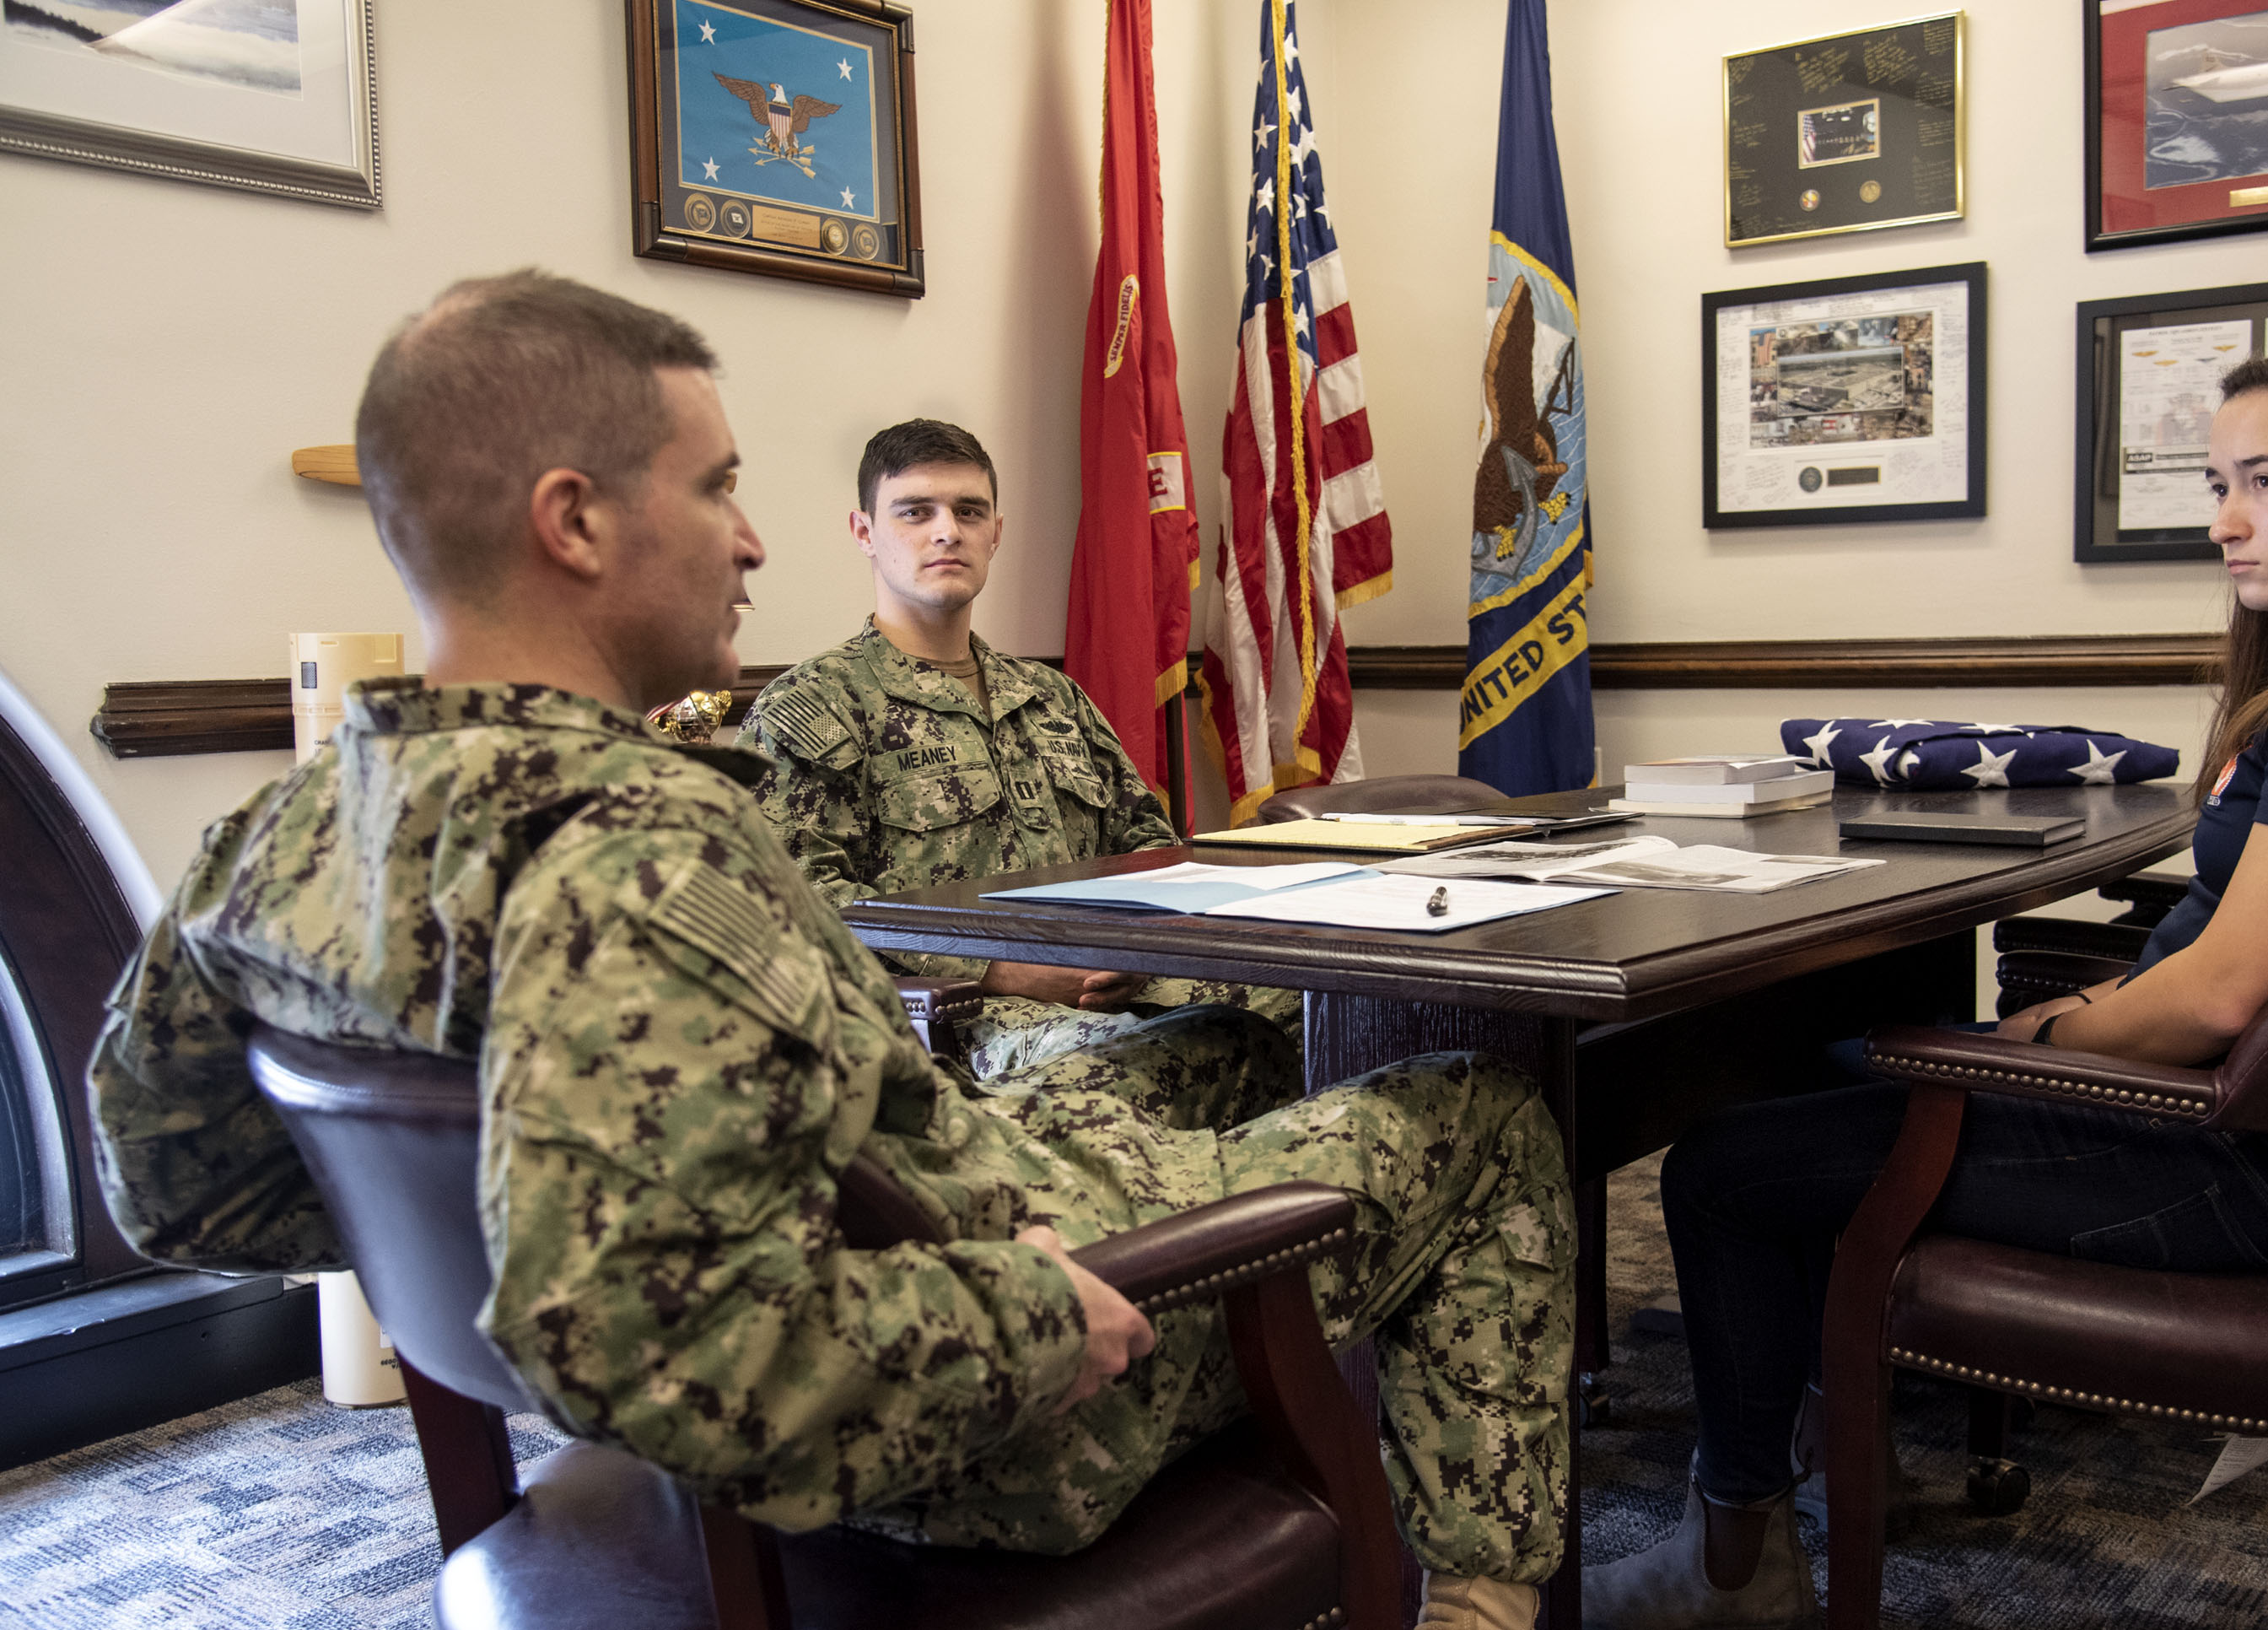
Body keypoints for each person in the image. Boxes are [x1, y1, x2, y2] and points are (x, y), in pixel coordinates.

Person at [86, 272, 1570, 1630]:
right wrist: (1031, 1313)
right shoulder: (640, 850)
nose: (751, 538)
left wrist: (482, 1225)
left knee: (1172, 1069)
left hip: (958, 1219)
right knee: (1485, 1113)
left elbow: (176, 1184)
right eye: (718, 484)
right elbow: (673, 1350)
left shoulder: (273, 836)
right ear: (576, 520)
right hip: (1008, 1412)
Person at [1583, 339, 2268, 1630]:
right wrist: (2051, 1032)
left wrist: (2050, 1030)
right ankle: (1847, 1460)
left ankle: (1730, 1559)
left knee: (1722, 1168)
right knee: (1824, 1066)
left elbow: (2217, 997)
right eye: (2214, 483)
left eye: (2265, 481)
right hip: (2267, 1134)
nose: (2226, 523)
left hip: (2231, 1157)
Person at [735, 418, 1301, 1080]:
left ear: (995, 533)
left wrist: (1135, 950)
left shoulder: (1051, 697)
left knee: (1323, 1009)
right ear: (865, 532)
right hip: (958, 1015)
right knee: (1186, 1056)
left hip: (1125, 982)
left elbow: (1149, 847)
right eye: (915, 512)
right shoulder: (816, 707)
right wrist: (995, 968)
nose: (947, 530)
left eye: (968, 511)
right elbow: (795, 901)